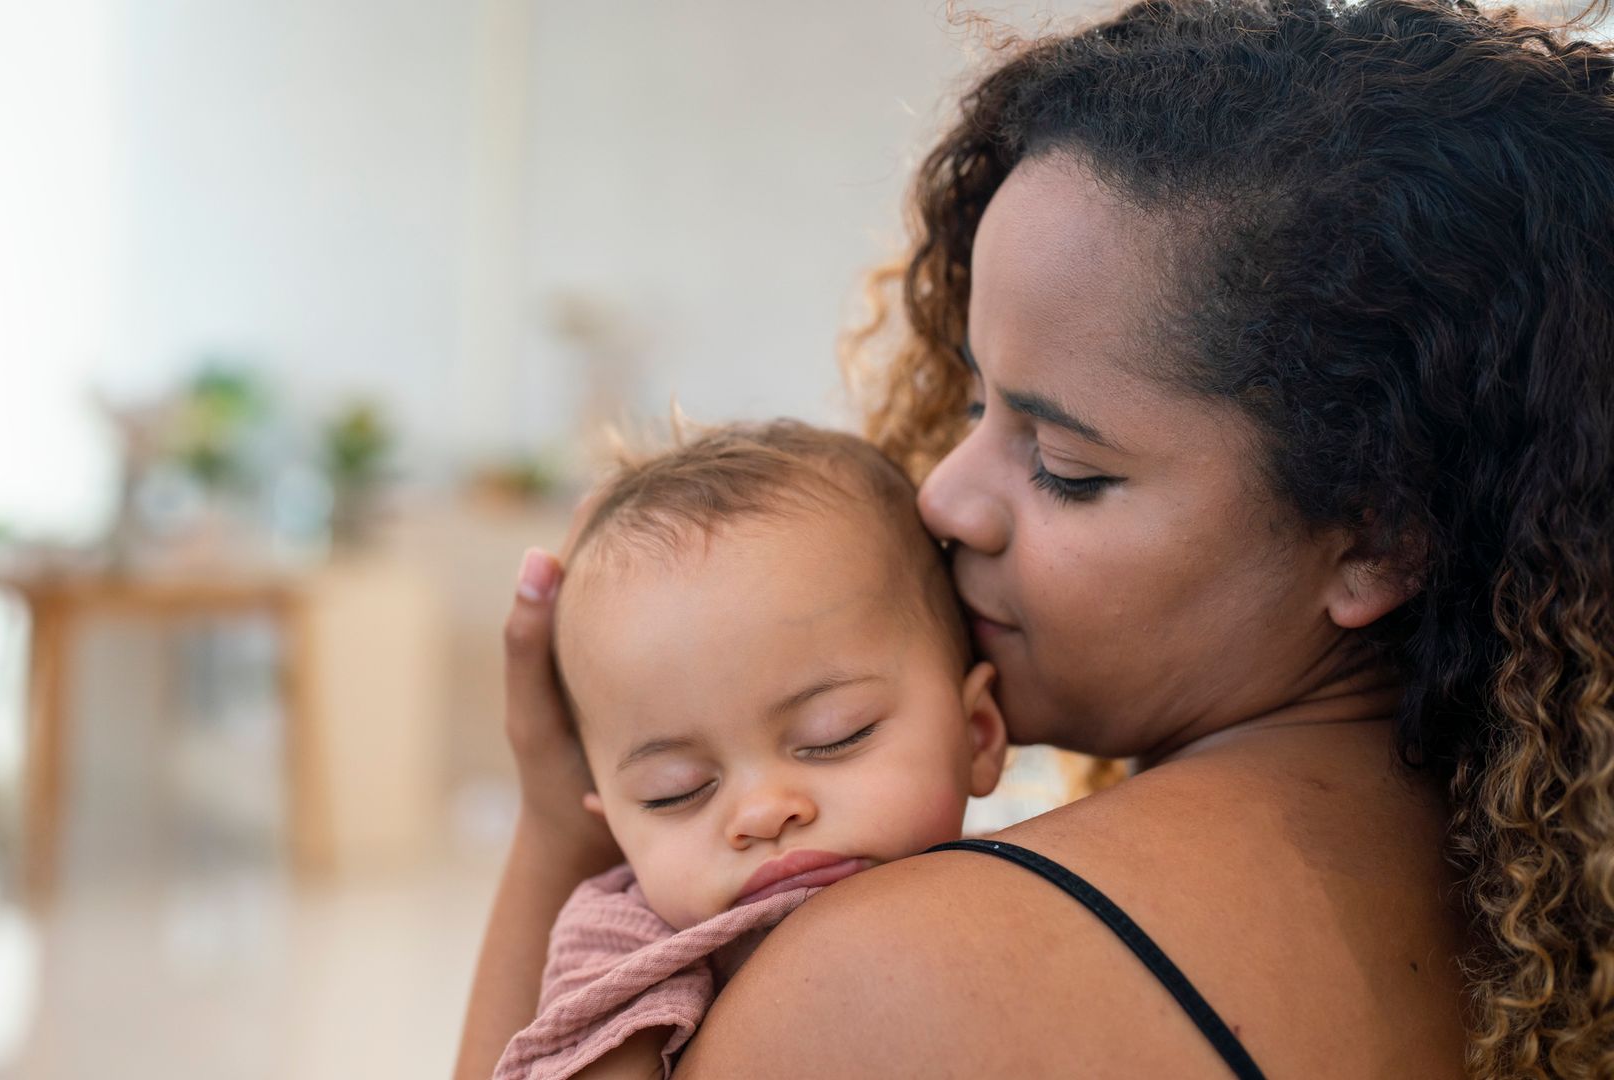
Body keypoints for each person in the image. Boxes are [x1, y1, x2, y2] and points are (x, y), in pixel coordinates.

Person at [456, 0, 1614, 1074]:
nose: (947, 495)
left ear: (1380, 540)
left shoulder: (892, 981)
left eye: (1067, 469)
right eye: (973, 405)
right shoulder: (1544, 906)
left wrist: (559, 838)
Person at [492, 421, 1007, 1079]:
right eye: (674, 791)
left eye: (835, 735)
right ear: (614, 826)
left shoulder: (1029, 880)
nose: (763, 812)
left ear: (978, 734)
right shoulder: (624, 950)